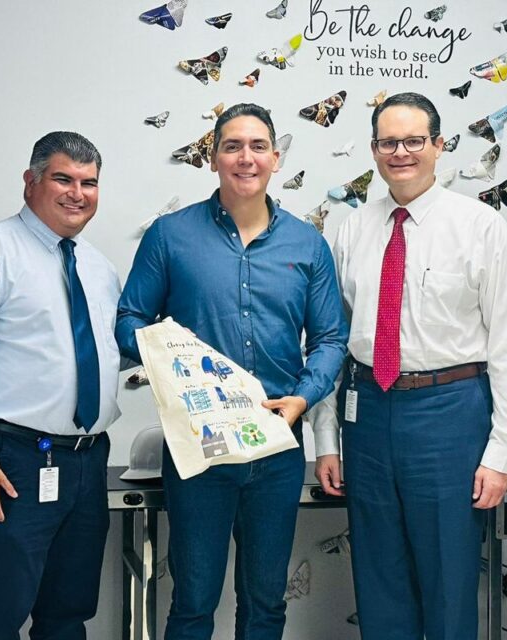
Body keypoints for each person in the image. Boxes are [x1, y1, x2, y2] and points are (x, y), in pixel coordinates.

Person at [115, 103, 347, 640]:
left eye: (258, 146)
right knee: (193, 601)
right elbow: (129, 320)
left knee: (266, 604)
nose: (246, 158)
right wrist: (169, 360)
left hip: (276, 446)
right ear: (212, 156)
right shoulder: (170, 236)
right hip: (198, 447)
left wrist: (305, 398)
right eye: (232, 146)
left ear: (276, 158)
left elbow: (331, 339)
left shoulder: (307, 244)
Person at [311, 92, 507, 640]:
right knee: (378, 574)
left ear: (439, 146)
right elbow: (329, 340)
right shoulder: (352, 229)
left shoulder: (479, 225)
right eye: (389, 142)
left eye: (414, 140)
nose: (401, 152)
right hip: (367, 414)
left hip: (450, 413)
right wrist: (326, 440)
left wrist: (502, 451)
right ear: (373, 150)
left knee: (448, 577)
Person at [0, 131, 122, 639]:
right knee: (4, 610)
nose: (76, 193)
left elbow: (97, 354)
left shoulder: (99, 269)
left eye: (89, 182)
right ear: (30, 182)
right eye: (63, 178)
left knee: (69, 610)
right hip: (14, 461)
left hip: (86, 460)